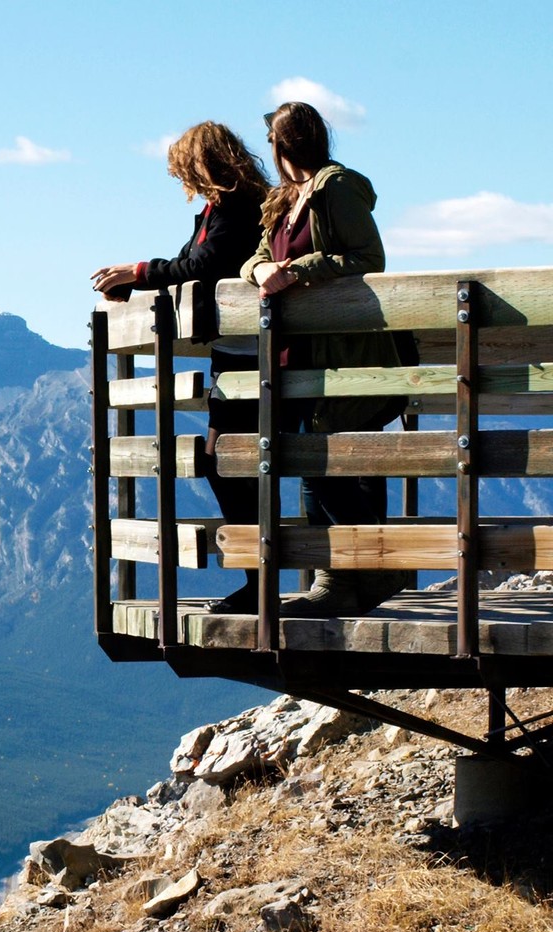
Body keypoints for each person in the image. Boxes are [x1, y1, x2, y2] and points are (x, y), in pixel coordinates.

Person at [91, 121, 269, 614]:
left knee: (227, 463)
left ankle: (260, 583)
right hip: (234, 357)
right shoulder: (224, 209)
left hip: (252, 359)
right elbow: (193, 260)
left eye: (183, 172)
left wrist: (141, 272)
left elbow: (202, 265)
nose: (182, 184)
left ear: (202, 165)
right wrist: (140, 281)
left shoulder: (238, 209)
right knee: (228, 464)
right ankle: (258, 579)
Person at [240, 101, 407, 617]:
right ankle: (351, 581)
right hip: (298, 353)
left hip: (340, 354)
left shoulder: (337, 187)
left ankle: (346, 579)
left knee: (325, 467)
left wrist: (298, 270)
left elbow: (368, 257)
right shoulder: (286, 198)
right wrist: (260, 272)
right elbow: (256, 256)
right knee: (316, 465)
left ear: (282, 145)